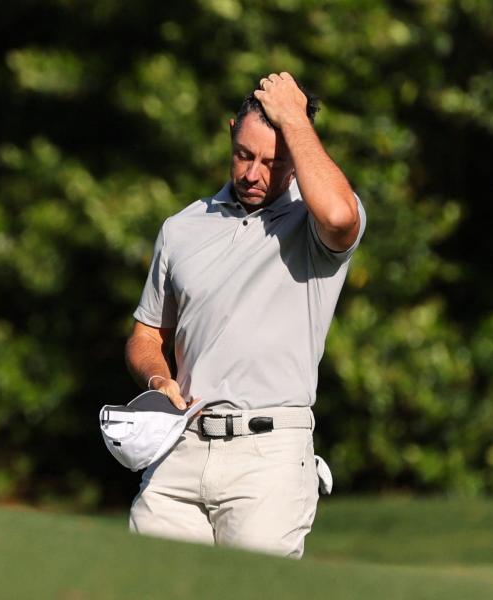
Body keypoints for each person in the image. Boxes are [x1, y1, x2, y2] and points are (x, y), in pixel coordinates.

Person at [124, 72, 365, 558]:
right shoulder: (181, 228)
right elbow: (146, 335)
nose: (254, 173)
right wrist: (156, 378)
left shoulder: (313, 227)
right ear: (231, 133)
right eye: (244, 155)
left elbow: (340, 217)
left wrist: (294, 119)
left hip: (268, 458)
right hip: (179, 449)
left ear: (296, 162)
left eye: (273, 163)